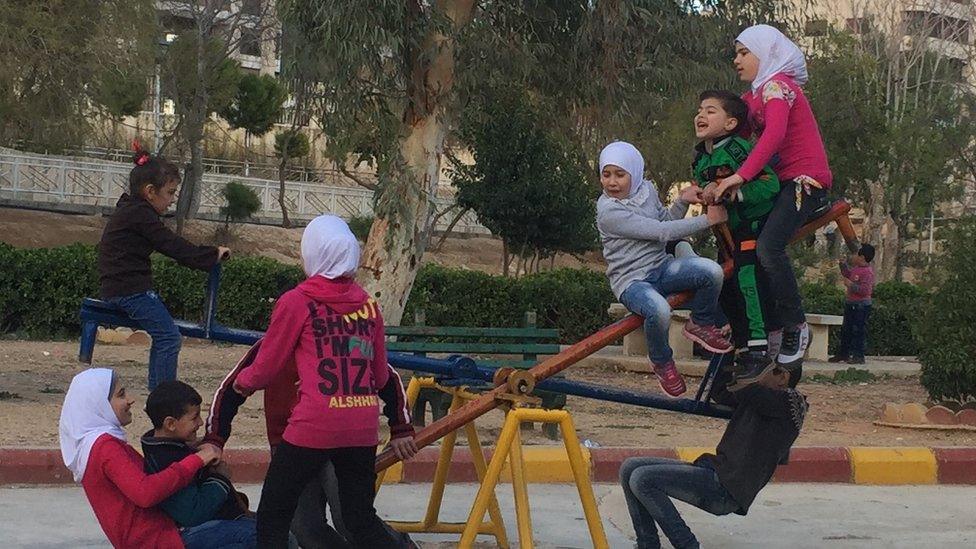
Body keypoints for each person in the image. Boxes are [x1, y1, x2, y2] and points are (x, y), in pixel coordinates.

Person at [231, 214, 404, 547]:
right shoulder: (369, 306)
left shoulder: (296, 302)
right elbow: (380, 375)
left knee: (273, 515)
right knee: (359, 517)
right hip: (361, 426)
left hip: (314, 424)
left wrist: (244, 382)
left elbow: (268, 365)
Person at [205, 340, 418, 548]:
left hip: (338, 441)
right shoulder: (272, 345)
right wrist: (215, 438)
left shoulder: (341, 339)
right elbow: (230, 390)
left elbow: (387, 378)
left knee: (351, 520)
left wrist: (401, 427)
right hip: (290, 442)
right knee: (304, 528)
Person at [712, 24, 833, 368]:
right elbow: (734, 133)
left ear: (765, 53)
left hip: (804, 182)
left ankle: (796, 325)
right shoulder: (753, 97)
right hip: (776, 186)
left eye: (743, 52)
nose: (736, 60)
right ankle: (768, 329)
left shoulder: (778, 88)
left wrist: (741, 176)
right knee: (743, 251)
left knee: (768, 247)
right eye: (735, 53)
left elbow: (775, 135)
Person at [597, 141, 732, 397]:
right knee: (658, 310)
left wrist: (681, 202)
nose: (612, 182)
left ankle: (701, 323)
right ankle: (662, 361)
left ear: (635, 174)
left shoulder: (646, 191)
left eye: (619, 175)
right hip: (632, 282)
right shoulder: (609, 211)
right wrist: (707, 219)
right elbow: (661, 233)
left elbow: (665, 223)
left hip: (660, 268)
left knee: (711, 271)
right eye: (606, 175)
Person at [619, 366, 808, 549]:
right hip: (715, 471)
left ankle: (688, 545)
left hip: (727, 488)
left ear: (783, 377)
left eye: (760, 369)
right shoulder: (761, 398)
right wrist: (723, 350)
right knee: (630, 467)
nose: (753, 373)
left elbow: (744, 388)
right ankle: (648, 544)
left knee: (643, 479)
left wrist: (743, 348)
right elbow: (720, 391)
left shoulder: (789, 403)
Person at [97, 142, 230, 390]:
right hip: (129, 290)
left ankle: (160, 392)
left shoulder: (132, 210)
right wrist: (211, 254)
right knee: (168, 337)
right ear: (150, 191)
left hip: (120, 286)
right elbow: (173, 245)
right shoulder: (140, 215)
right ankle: (163, 398)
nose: (171, 200)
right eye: (169, 193)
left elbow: (171, 246)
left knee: (165, 335)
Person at [58, 368, 222, 548]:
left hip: (157, 537)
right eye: (121, 395)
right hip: (161, 541)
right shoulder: (105, 448)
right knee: (253, 534)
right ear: (98, 404)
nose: (130, 399)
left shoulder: (96, 446)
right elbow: (145, 492)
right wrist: (198, 459)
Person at [693, 89, 780, 387]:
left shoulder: (738, 149)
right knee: (725, 289)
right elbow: (706, 187)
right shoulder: (700, 157)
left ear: (731, 123)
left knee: (747, 280)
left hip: (751, 227)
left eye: (711, 110)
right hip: (725, 236)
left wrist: (737, 192)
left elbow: (770, 184)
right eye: (700, 109)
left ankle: (759, 349)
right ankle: (741, 347)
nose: (701, 115)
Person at [140, 380, 256, 548]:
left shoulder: (171, 447)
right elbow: (193, 514)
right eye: (194, 418)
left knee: (277, 529)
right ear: (170, 424)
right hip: (193, 532)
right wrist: (220, 478)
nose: (200, 423)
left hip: (215, 522)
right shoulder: (166, 460)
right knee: (269, 538)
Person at [830, 244, 876, 365]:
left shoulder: (867, 272)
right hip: (851, 303)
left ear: (862, 257)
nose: (854, 257)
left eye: (857, 255)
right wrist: (842, 265)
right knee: (846, 329)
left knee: (858, 330)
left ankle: (858, 356)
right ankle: (843, 354)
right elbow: (848, 274)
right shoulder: (856, 268)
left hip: (861, 306)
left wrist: (851, 285)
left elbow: (865, 290)